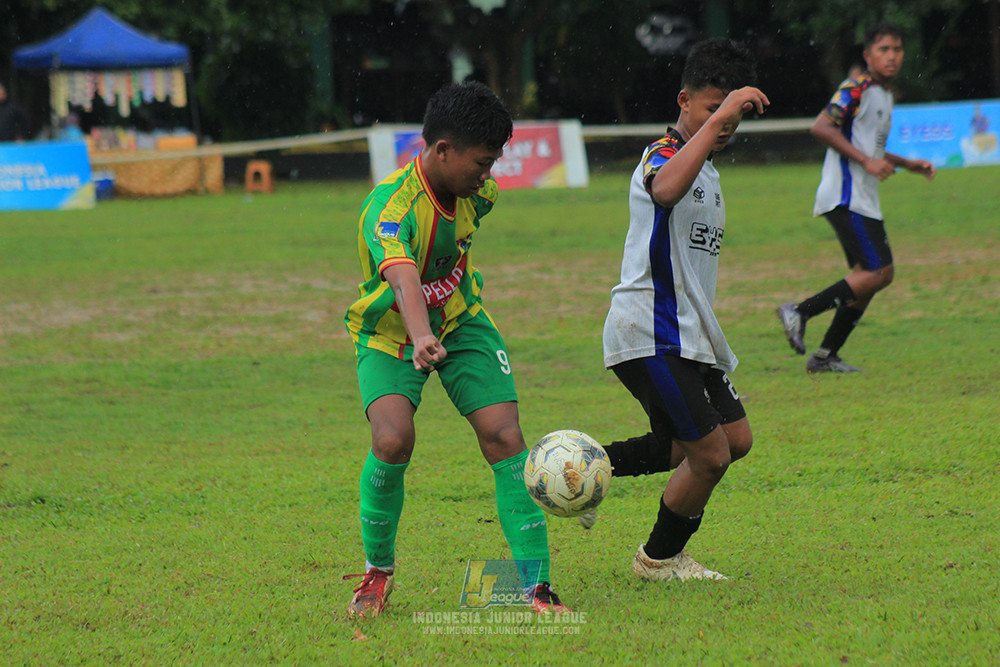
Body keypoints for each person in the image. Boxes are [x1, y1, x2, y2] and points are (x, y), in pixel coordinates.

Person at [342, 81, 568, 618]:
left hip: (463, 323)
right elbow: (400, 277)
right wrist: (420, 334)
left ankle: (537, 585)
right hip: (393, 332)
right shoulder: (390, 209)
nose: (488, 175)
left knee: (504, 436)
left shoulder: (478, 195)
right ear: (442, 150)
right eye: (482, 162)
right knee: (393, 440)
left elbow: (456, 241)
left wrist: (439, 325)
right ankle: (378, 572)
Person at [599, 39, 768, 581]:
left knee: (729, 442)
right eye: (712, 109)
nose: (723, 124)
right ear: (684, 101)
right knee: (709, 454)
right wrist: (721, 116)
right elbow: (666, 188)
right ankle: (660, 558)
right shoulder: (663, 155)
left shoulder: (711, 176)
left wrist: (719, 121)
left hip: (689, 338)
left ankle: (577, 467)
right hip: (649, 331)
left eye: (731, 115)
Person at [777, 22, 935, 373]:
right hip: (845, 196)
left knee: (867, 276)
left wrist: (907, 163)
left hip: (863, 198)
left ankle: (825, 356)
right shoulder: (856, 87)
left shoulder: (885, 94)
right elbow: (821, 126)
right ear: (868, 55)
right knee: (881, 272)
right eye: (883, 49)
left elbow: (872, 147)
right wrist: (866, 161)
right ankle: (799, 311)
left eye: (896, 49)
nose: (891, 56)